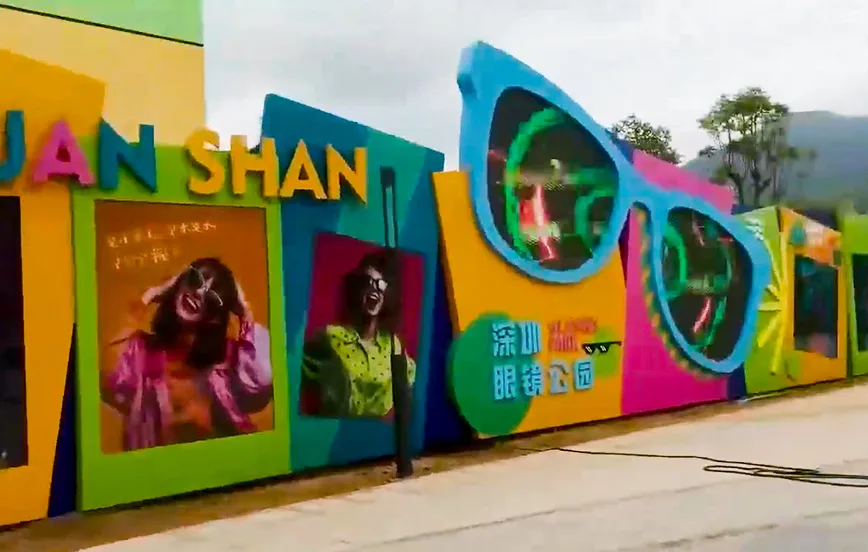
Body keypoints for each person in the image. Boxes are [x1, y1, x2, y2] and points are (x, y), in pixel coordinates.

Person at [102, 257, 272, 451]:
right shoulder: (141, 352)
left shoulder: (228, 360)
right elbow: (106, 378)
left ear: (215, 319)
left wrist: (245, 311)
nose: (199, 292)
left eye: (212, 296)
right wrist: (149, 295)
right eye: (195, 279)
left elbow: (264, 378)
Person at [300, 251, 416, 418]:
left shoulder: (392, 345)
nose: (374, 288)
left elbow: (408, 390)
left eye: (380, 284)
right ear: (357, 290)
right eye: (368, 281)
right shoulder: (331, 336)